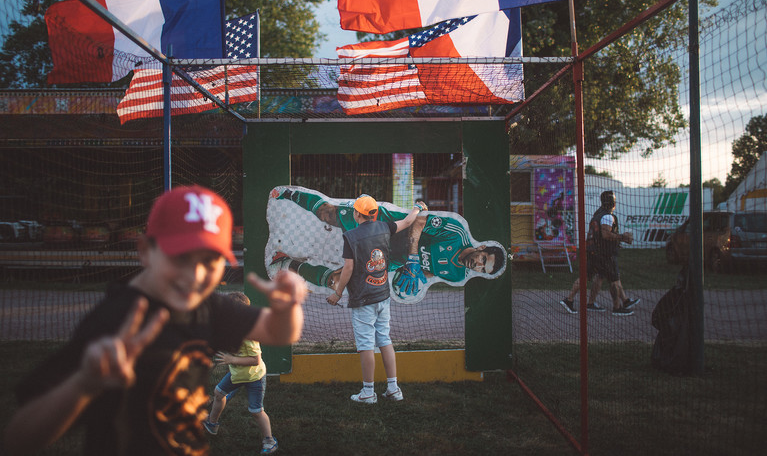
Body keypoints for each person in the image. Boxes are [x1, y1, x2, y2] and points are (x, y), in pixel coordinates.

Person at [2, 185, 306, 456]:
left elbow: (279, 333)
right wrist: (84, 383)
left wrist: (289, 306)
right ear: (145, 251)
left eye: (210, 260)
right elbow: (18, 439)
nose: (195, 275)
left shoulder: (207, 306)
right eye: (180, 257)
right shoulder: (111, 321)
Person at [269, 186, 506, 300]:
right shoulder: (457, 233)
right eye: (483, 259)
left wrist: (413, 273)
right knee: (328, 214)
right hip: (389, 227)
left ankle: (287, 263)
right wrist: (414, 257)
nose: (477, 265)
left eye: (481, 269)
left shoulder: (456, 275)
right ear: (481, 248)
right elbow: (420, 222)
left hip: (391, 259)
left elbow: (428, 272)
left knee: (338, 282)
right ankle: (291, 195)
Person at [325, 194, 424, 403]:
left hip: (363, 298)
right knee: (385, 339)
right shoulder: (384, 227)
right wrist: (417, 207)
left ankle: (368, 392)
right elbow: (407, 222)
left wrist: (337, 292)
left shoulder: (350, 236)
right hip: (382, 295)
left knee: (366, 345)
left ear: (356, 214)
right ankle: (393, 389)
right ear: (374, 213)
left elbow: (348, 268)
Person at [203, 291, 277, 454]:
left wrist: (231, 360)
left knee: (256, 411)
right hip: (236, 374)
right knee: (218, 393)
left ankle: (269, 440)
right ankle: (212, 423)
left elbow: (255, 360)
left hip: (253, 376)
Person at [560, 190, 639, 316]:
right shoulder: (607, 216)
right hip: (603, 253)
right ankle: (617, 307)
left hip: (593, 251)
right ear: (613, 203)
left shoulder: (597, 214)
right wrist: (622, 237)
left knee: (591, 276)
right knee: (614, 279)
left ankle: (570, 300)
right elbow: (606, 234)